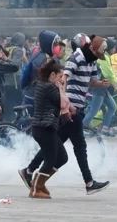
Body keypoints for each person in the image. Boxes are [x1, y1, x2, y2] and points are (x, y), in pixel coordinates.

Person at [22, 36, 110, 195]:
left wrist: (101, 84)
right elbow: (63, 79)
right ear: (92, 49)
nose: (99, 57)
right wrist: (66, 107)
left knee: (56, 145)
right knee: (79, 146)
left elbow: (91, 81)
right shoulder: (75, 58)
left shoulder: (92, 61)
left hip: (76, 107)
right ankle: (88, 182)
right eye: (98, 53)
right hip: (71, 108)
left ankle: (29, 171)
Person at [21, 59, 70, 199]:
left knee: (62, 157)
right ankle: (37, 188)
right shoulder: (49, 87)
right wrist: (62, 87)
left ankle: (39, 183)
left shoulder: (44, 85)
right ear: (53, 75)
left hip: (45, 127)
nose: (62, 79)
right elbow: (63, 102)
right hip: (44, 127)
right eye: (60, 76)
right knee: (50, 159)